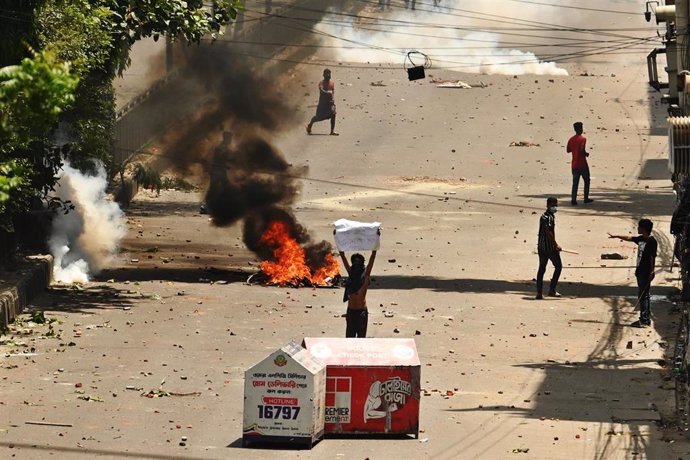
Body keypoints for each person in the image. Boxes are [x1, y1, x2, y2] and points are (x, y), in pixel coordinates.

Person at [608, 219, 658, 328]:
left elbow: (652, 257)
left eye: (639, 227)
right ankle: (645, 318)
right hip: (640, 271)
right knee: (643, 294)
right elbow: (629, 238)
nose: (637, 228)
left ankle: (644, 319)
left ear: (644, 229)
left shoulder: (652, 242)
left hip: (646, 272)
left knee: (643, 295)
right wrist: (616, 236)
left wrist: (652, 271)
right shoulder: (641, 239)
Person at [339, 250, 376, 337]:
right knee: (349, 338)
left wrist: (374, 250)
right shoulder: (351, 274)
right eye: (355, 261)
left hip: (361, 312)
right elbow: (343, 258)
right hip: (351, 312)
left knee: (361, 340)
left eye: (359, 262)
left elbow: (372, 260)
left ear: (362, 263)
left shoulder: (366, 276)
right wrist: (340, 248)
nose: (357, 263)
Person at [536, 197, 562, 299]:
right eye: (553, 205)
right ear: (548, 205)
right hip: (549, 248)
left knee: (541, 269)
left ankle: (539, 292)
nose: (555, 207)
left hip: (541, 247)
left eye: (556, 205)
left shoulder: (542, 216)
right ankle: (552, 290)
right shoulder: (549, 218)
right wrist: (555, 245)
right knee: (558, 266)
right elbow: (548, 232)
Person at [566, 121, 593, 206]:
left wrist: (574, 150)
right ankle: (586, 198)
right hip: (582, 164)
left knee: (575, 183)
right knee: (587, 180)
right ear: (580, 129)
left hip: (574, 164)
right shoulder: (583, 139)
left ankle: (573, 199)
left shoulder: (571, 139)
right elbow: (582, 150)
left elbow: (568, 150)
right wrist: (586, 154)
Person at [306, 68, 338, 136]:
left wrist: (333, 99)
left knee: (333, 115)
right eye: (327, 73)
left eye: (329, 73)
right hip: (322, 105)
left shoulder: (332, 83)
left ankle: (332, 131)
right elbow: (321, 90)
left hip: (329, 104)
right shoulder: (321, 83)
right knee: (318, 118)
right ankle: (309, 125)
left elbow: (332, 92)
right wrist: (327, 92)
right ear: (323, 75)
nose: (328, 75)